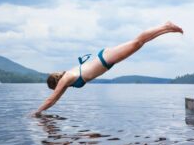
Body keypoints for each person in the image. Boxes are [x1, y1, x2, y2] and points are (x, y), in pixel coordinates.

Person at [32, 22, 183, 117]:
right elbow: (55, 99)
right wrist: (42, 112)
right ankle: (166, 29)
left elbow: (51, 98)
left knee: (137, 42)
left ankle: (165, 27)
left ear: (56, 83)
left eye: (54, 87)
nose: (56, 90)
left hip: (106, 59)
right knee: (139, 44)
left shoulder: (66, 79)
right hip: (106, 60)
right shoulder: (67, 80)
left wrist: (36, 112)